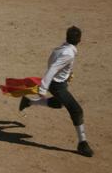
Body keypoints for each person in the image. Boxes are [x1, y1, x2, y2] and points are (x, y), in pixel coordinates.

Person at [18, 26, 94, 158]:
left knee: (58, 104)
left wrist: (67, 74)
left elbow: (52, 63)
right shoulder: (69, 53)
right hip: (57, 86)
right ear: (80, 40)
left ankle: (29, 102)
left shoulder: (60, 49)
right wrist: (43, 88)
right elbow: (53, 68)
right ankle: (82, 143)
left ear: (67, 37)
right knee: (77, 110)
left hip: (59, 83)